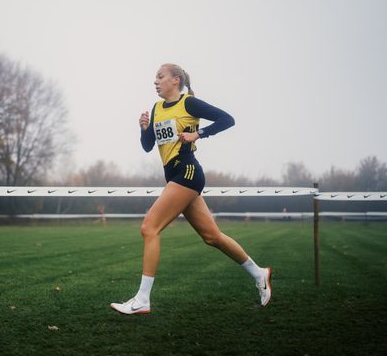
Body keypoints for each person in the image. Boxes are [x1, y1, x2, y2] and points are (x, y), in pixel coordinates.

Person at [110, 63, 272, 314]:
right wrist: (144, 130)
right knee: (212, 237)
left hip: (187, 173)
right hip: (174, 176)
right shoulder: (156, 109)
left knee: (149, 227)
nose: (155, 81)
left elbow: (227, 119)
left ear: (175, 80)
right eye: (155, 77)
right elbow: (147, 146)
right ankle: (259, 272)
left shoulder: (189, 103)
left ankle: (142, 300)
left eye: (160, 76)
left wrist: (200, 134)